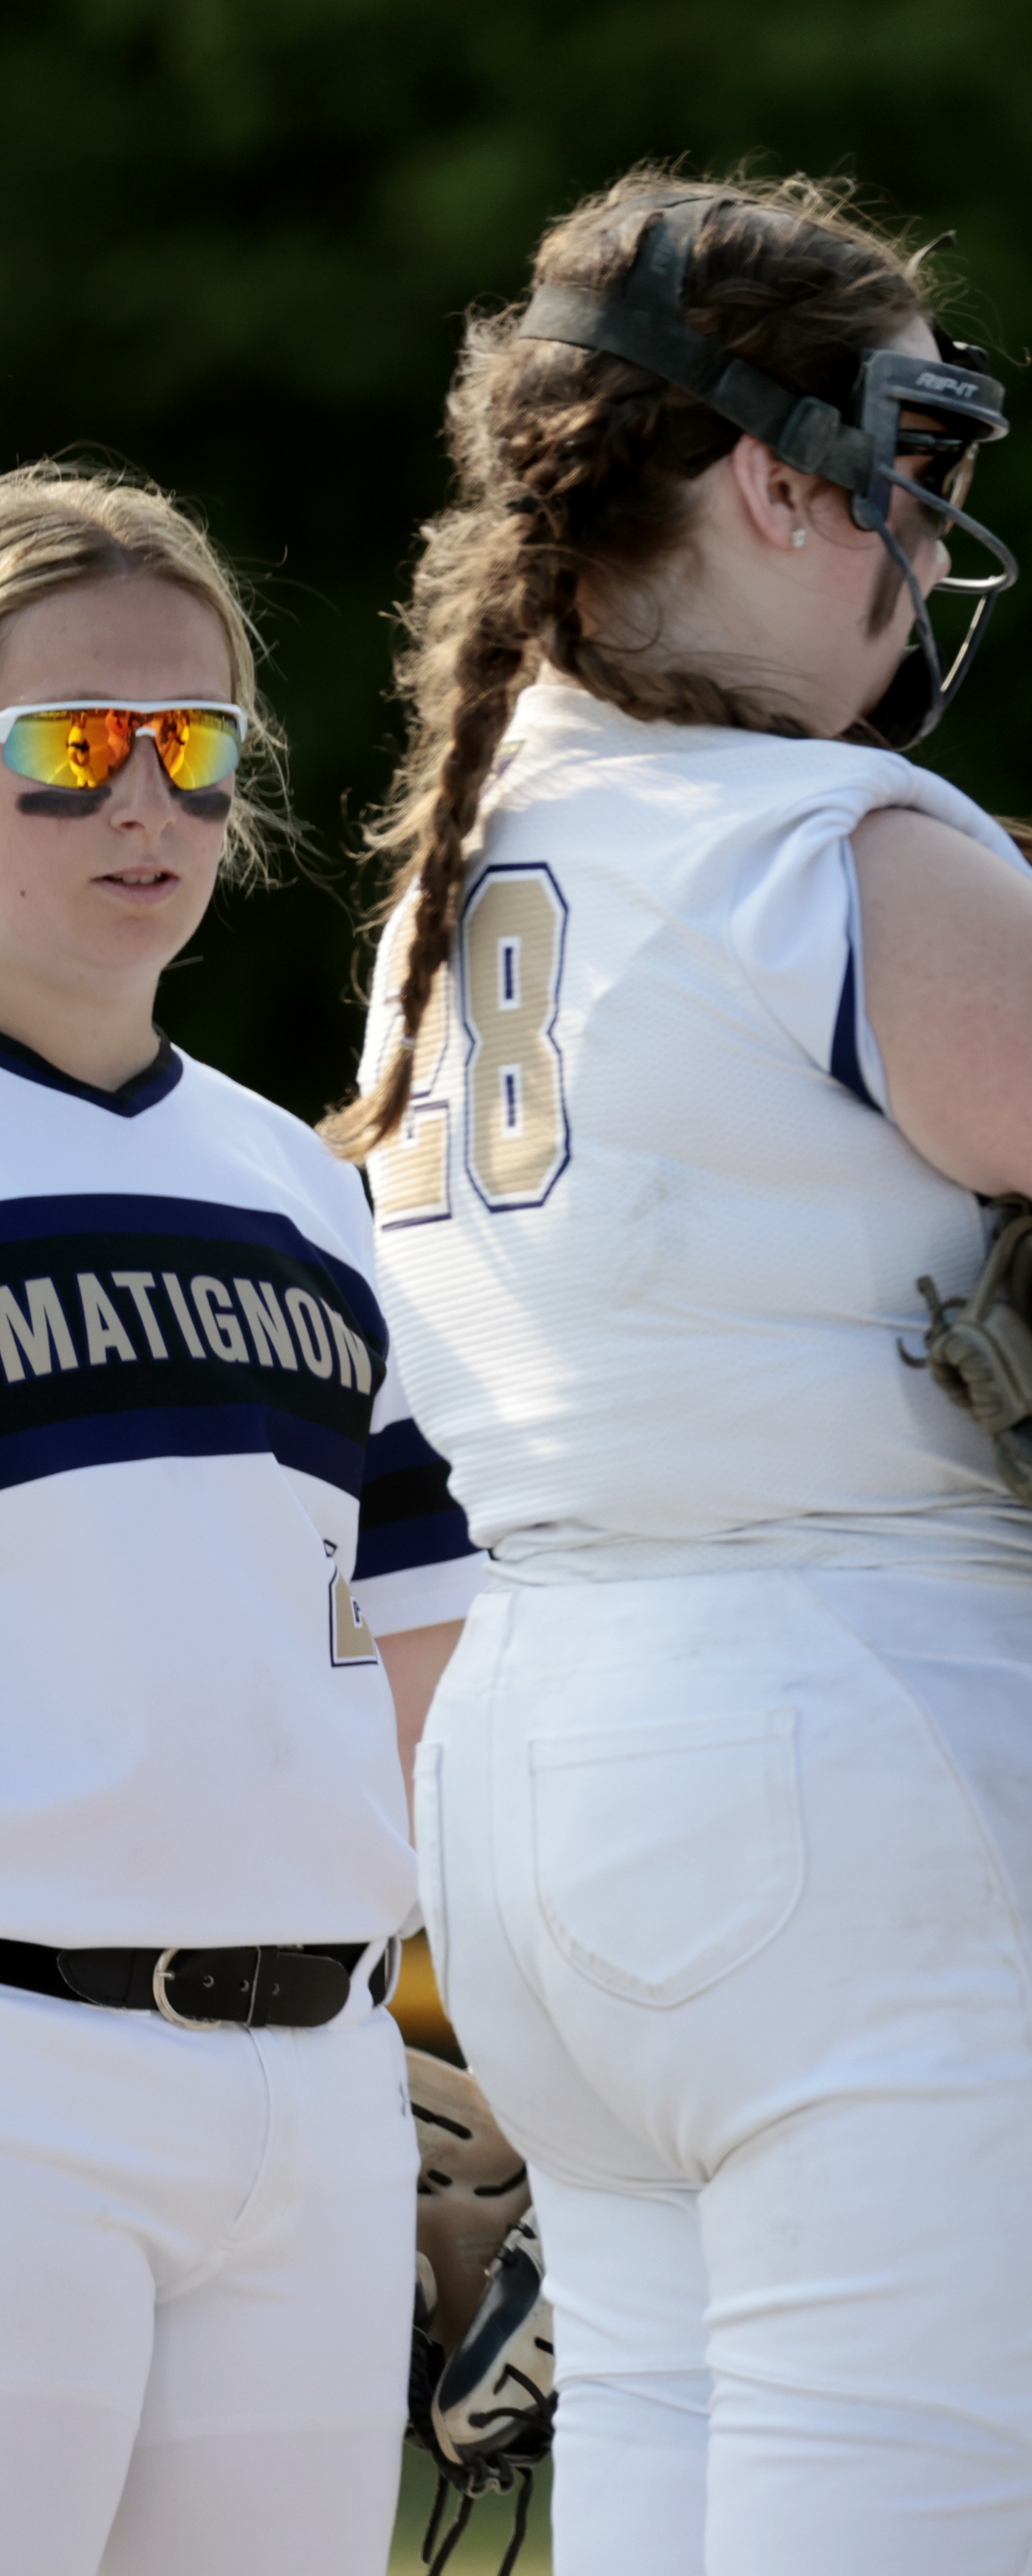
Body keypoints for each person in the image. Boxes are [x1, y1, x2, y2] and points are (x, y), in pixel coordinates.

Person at [332, 173, 1032, 2576]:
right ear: (769, 468)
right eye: (911, 480)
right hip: (900, 1785)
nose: (932, 552)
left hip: (577, 1785)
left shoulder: (468, 866)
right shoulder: (822, 838)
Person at [0, 463, 489, 2571]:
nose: (148, 805)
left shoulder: (301, 1186)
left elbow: (426, 1642)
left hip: (315, 2099)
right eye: (72, 747)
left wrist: (509, 2044)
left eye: (193, 747)